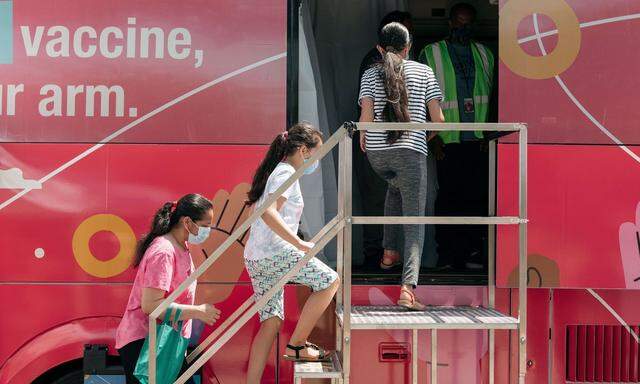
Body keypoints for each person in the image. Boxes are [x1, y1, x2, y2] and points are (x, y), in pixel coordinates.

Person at [244, 122, 339, 384]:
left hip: (257, 256)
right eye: (315, 153)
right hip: (275, 253)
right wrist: (299, 244)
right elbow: (268, 212)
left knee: (271, 322)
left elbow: (259, 211)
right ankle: (297, 344)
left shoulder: (276, 171)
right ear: (302, 150)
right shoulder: (286, 173)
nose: (316, 160)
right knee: (330, 281)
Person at [358, 22, 444, 310]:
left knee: (394, 186)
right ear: (409, 47)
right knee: (414, 221)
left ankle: (389, 252)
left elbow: (366, 118)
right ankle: (407, 289)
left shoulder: (371, 73)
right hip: (410, 153)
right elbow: (439, 121)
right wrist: (422, 134)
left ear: (379, 48)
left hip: (377, 155)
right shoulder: (425, 72)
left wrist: (365, 138)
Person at [418, 2, 495, 270]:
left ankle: (471, 252)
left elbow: (494, 98)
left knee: (475, 196)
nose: (464, 27)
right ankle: (448, 255)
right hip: (446, 141)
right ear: (450, 23)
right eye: (459, 22)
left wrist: (490, 134)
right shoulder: (432, 52)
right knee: (449, 197)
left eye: (469, 23)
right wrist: (434, 136)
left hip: (477, 140)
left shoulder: (486, 54)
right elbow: (422, 99)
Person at [115, 194, 221, 384]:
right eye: (205, 225)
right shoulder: (164, 251)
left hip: (165, 340)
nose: (208, 231)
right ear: (187, 221)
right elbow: (151, 306)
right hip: (148, 343)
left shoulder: (181, 246)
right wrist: (198, 312)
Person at [356, 11, 413, 270]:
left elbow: (365, 113)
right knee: (393, 201)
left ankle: (384, 255)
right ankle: (386, 258)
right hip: (399, 145)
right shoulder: (380, 66)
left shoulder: (372, 65)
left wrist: (364, 134)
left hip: (376, 145)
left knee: (385, 198)